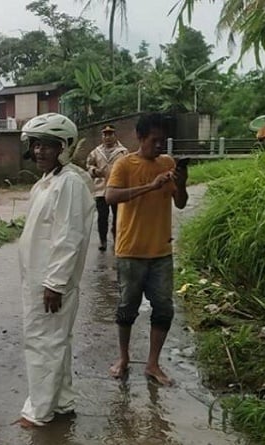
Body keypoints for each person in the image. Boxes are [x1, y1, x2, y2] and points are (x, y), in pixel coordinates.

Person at [16, 113, 95, 427]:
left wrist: (55, 283)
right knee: (56, 342)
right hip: (39, 279)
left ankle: (39, 411)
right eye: (36, 145)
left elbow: (69, 236)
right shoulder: (48, 182)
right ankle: (61, 402)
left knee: (42, 343)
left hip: (49, 283)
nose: (39, 152)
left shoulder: (70, 183)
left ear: (64, 147)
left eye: (47, 146)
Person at [105, 113, 188, 386]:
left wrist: (181, 181)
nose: (160, 146)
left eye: (163, 141)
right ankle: (123, 358)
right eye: (155, 141)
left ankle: (153, 364)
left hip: (161, 251)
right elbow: (111, 196)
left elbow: (181, 204)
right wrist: (150, 187)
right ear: (140, 138)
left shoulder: (168, 163)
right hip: (130, 251)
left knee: (164, 308)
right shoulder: (124, 164)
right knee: (127, 307)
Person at [86, 124, 129, 251]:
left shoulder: (123, 152)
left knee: (118, 216)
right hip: (101, 189)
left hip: (117, 189)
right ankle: (102, 240)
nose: (107, 137)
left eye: (110, 134)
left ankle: (117, 239)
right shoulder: (96, 152)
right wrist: (94, 171)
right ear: (102, 136)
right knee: (102, 216)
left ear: (115, 136)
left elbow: (128, 167)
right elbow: (88, 165)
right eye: (105, 134)